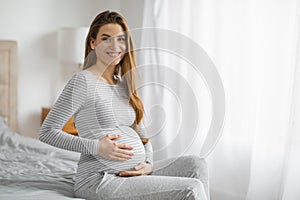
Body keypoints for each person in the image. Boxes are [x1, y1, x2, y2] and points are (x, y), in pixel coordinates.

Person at [40, 10, 209, 200]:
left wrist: (148, 163)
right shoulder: (83, 81)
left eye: (121, 39)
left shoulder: (122, 83)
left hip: (132, 174)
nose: (115, 46)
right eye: (106, 38)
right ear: (93, 43)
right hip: (99, 180)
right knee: (191, 188)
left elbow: (143, 136)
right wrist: (98, 147)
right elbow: (47, 132)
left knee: (197, 164)